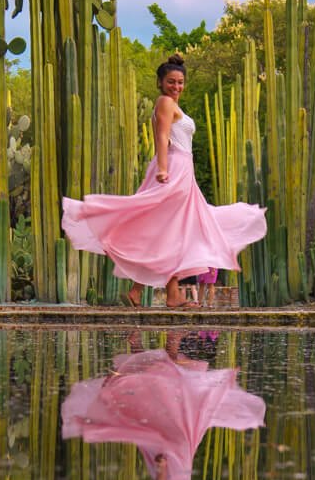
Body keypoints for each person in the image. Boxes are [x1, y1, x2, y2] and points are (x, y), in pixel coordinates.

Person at [61, 55, 266, 309]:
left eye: (180, 82)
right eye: (171, 82)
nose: (176, 87)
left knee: (172, 231)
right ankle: (170, 294)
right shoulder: (165, 102)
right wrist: (162, 168)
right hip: (173, 169)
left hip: (182, 171)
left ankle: (144, 291)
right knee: (175, 230)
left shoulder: (173, 105)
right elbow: (162, 135)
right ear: (160, 82)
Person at [60, 332, 266, 480]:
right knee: (162, 397)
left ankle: (161, 342)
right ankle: (146, 342)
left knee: (165, 395)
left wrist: (160, 470)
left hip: (171, 461)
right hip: (178, 459)